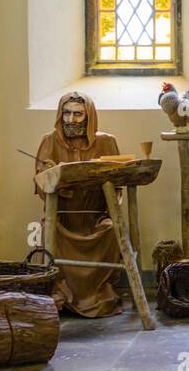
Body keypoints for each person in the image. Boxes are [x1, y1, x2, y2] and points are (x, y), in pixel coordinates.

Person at [34, 92, 125, 317]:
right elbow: (41, 184)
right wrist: (53, 175)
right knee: (48, 229)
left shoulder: (106, 141)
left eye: (77, 114)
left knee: (111, 229)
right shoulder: (49, 141)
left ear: (89, 116)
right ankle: (59, 291)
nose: (71, 119)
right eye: (66, 113)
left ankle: (99, 292)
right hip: (63, 218)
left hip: (94, 217)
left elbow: (118, 181)